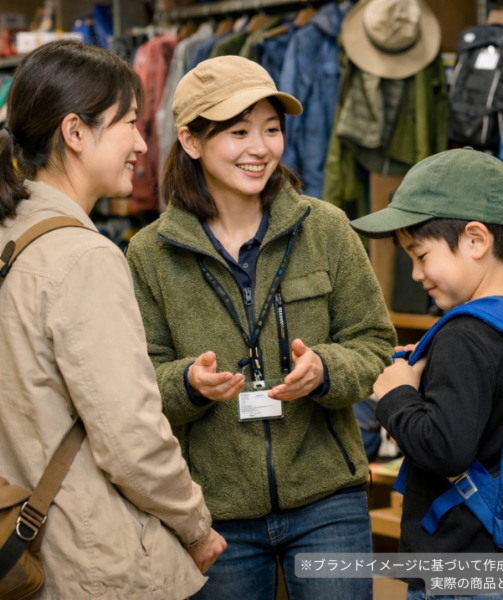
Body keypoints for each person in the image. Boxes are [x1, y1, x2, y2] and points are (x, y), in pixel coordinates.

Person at [126, 55, 396, 600]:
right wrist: (188, 383)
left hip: (328, 499)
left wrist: (325, 370)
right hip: (214, 508)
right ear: (191, 141)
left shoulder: (326, 228)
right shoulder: (150, 253)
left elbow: (373, 342)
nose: (260, 148)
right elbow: (138, 380)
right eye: (238, 132)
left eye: (272, 129)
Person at [0, 40, 225, 600]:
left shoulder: (11, 238)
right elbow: (130, 437)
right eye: (129, 122)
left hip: (21, 546)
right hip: (90, 558)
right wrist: (196, 527)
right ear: (75, 132)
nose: (143, 142)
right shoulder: (83, 257)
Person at [350, 148, 503, 600]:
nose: (416, 274)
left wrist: (395, 394)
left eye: (421, 255)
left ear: (476, 240)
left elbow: (444, 447)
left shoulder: (464, 334)